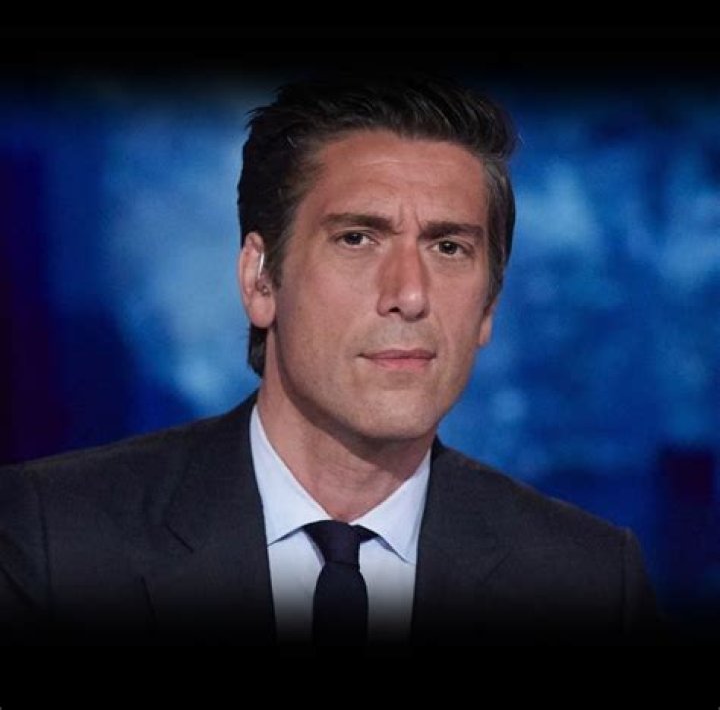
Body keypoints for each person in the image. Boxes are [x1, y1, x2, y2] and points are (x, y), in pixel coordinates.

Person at [0, 71, 661, 648]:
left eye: (449, 248)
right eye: (357, 238)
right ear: (260, 279)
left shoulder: (591, 581)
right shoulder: (55, 539)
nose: (409, 294)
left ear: (488, 306)